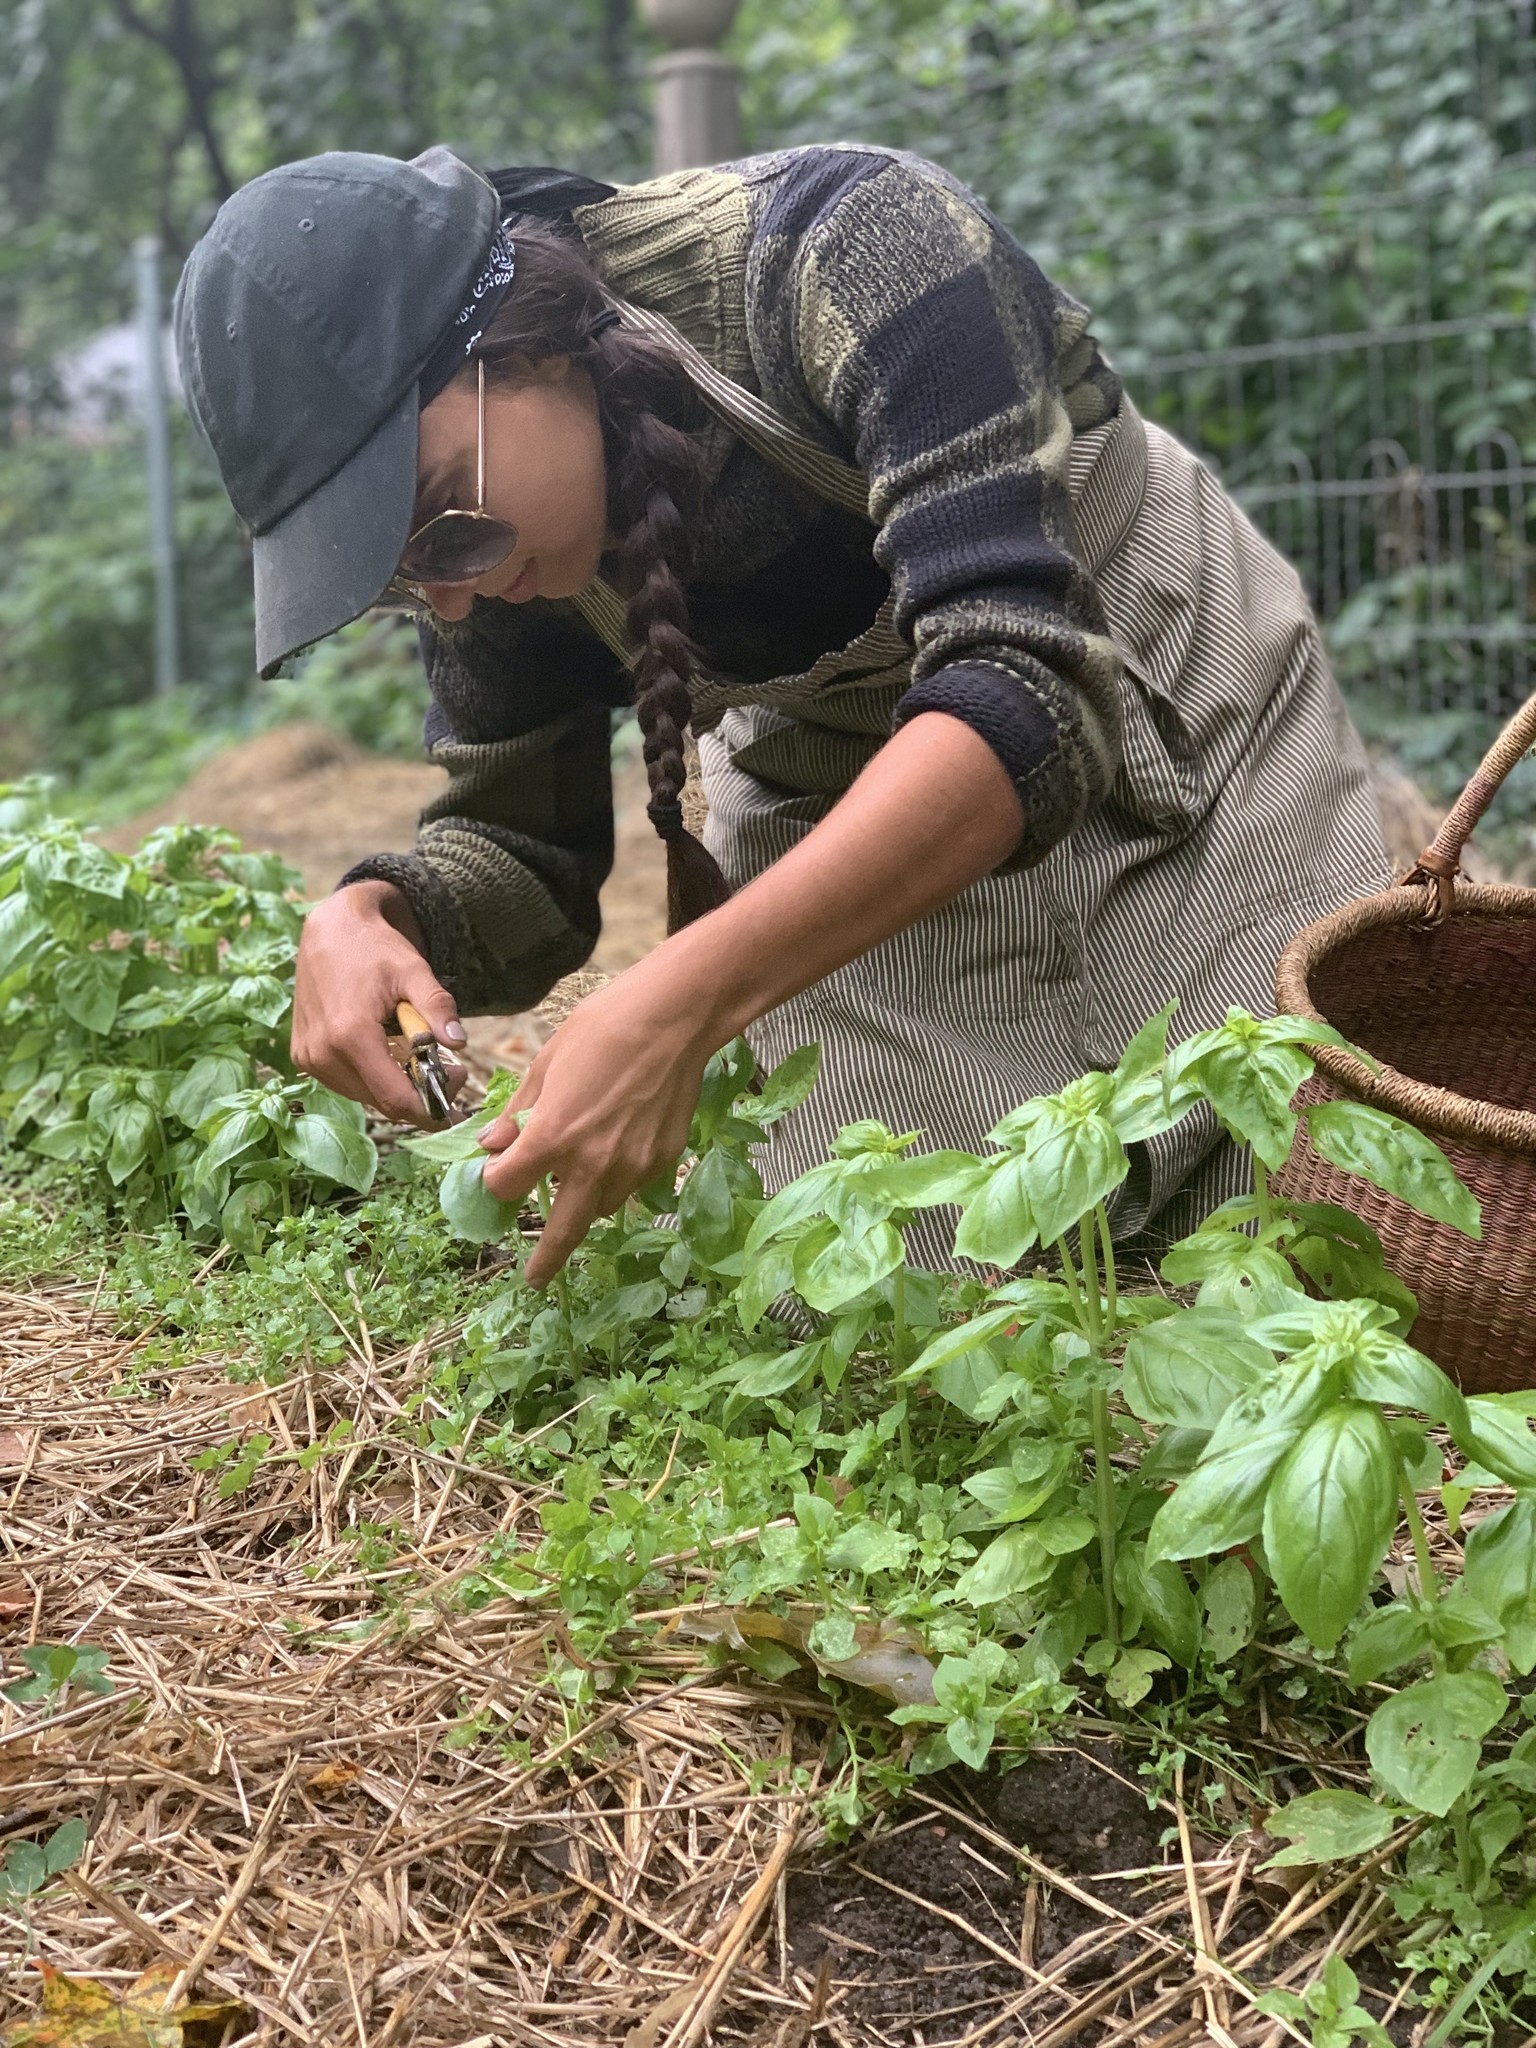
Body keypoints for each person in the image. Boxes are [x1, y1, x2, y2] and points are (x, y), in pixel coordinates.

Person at [175, 142, 1389, 1284]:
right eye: (395, 573)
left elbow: (1023, 691)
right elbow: (523, 857)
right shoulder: (491, 557)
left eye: (439, 514)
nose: (450, 591)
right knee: (859, 1285)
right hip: (839, 798)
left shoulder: (853, 248)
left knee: (1338, 1207)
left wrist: (686, 995)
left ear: (525, 344)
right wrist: (378, 910)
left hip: (1146, 669)